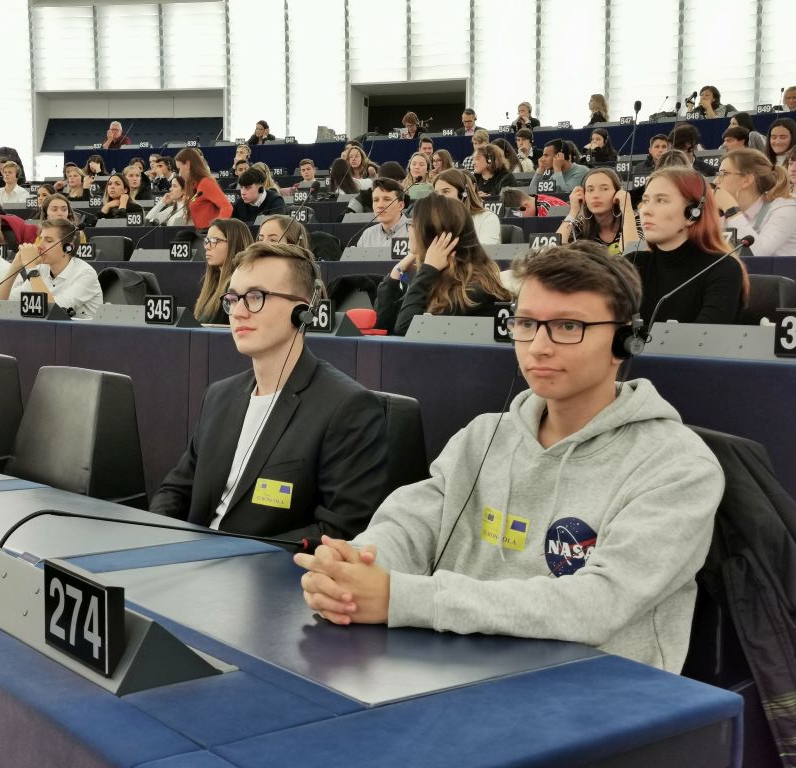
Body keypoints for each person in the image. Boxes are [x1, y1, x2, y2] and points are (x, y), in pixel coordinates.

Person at [294, 243, 725, 674]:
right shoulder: (484, 435)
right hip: (451, 670)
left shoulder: (678, 466)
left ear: (624, 341)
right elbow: (411, 524)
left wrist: (399, 597)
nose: (538, 346)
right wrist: (354, 567)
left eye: (568, 326)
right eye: (526, 323)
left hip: (596, 691)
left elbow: (597, 605)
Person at [150, 241, 388, 540]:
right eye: (233, 298)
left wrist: (236, 557)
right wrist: (157, 539)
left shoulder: (347, 408)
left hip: (269, 565)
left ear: (303, 310)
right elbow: (176, 490)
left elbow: (340, 530)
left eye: (255, 297)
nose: (238, 312)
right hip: (190, 557)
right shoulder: (219, 395)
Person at [374, 194, 511, 336]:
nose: (410, 231)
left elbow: (406, 329)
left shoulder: (471, 290)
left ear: (433, 236)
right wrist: (396, 273)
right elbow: (382, 325)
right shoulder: (439, 278)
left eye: (413, 225)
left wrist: (427, 271)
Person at [633, 167, 746, 323]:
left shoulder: (722, 268)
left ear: (693, 213)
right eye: (645, 201)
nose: (645, 210)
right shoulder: (633, 264)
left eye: (661, 200)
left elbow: (703, 336)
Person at [0, 218, 101, 319]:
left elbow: (54, 312)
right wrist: (15, 266)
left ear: (68, 248)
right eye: (40, 239)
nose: (39, 245)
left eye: (48, 241)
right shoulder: (41, 269)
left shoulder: (86, 274)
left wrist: (31, 268)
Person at [713, 148, 796, 257]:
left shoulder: (786, 209)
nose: (715, 181)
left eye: (723, 173)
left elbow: (757, 254)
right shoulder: (722, 213)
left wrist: (730, 209)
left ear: (746, 180)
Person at [557, 168, 639, 255]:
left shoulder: (635, 220)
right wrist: (573, 212)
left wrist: (626, 208)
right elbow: (554, 254)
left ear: (618, 193)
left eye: (604, 189)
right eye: (590, 190)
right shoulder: (581, 225)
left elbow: (632, 253)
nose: (596, 195)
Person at [193, 218, 253, 324]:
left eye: (215, 241)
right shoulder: (214, 285)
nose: (207, 247)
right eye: (207, 241)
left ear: (235, 244)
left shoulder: (235, 287)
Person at [432, 168, 501, 245]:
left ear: (463, 194)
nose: (440, 197)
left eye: (446, 191)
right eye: (436, 193)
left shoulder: (487, 218)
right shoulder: (435, 222)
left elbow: (484, 251)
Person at [174, 147, 233, 229]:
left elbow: (227, 207)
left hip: (209, 233)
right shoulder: (194, 185)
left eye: (179, 169)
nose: (179, 174)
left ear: (188, 164)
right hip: (199, 231)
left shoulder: (206, 183)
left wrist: (216, 229)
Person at [356, 178, 409, 247]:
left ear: (400, 205)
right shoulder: (368, 235)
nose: (380, 205)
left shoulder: (417, 232)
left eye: (387, 199)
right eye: (376, 200)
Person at [500, 187, 566, 218]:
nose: (522, 219)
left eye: (520, 215)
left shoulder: (546, 208)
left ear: (526, 205)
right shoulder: (537, 201)